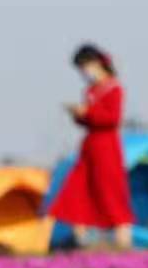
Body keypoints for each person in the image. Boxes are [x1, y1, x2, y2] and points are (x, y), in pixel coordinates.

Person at [49, 43, 134, 249]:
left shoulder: (114, 88)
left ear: (96, 63)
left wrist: (87, 113)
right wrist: (78, 115)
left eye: (85, 67)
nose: (84, 73)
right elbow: (88, 121)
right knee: (78, 191)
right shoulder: (90, 90)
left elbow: (112, 119)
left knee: (111, 193)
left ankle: (124, 242)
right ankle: (80, 241)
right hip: (89, 147)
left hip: (107, 147)